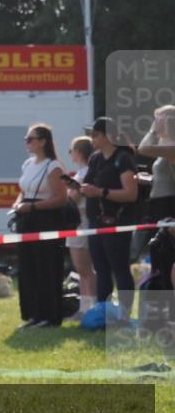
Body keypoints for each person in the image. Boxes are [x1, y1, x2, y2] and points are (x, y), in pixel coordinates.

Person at [11, 123, 69, 328]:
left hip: (47, 221)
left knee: (46, 268)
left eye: (31, 139)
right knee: (28, 268)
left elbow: (62, 198)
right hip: (27, 221)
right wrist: (18, 203)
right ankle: (33, 314)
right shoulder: (28, 164)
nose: (27, 142)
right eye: (26, 139)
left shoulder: (53, 166)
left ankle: (50, 315)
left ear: (43, 141)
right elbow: (24, 191)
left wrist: (34, 207)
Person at [82, 117, 139, 316]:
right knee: (101, 268)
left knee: (120, 268)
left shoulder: (123, 158)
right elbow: (88, 185)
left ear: (107, 136)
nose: (92, 138)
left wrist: (100, 192)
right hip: (95, 222)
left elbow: (131, 194)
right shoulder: (95, 159)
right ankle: (103, 314)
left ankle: (124, 314)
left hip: (117, 222)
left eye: (95, 134)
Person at [65, 136, 97, 313]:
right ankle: (86, 308)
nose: (70, 154)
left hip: (80, 223)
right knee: (86, 271)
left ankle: (87, 310)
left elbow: (73, 199)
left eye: (71, 150)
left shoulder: (84, 173)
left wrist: (67, 192)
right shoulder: (83, 172)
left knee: (84, 271)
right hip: (82, 223)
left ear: (78, 152)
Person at [138, 105, 175, 221]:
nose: (154, 122)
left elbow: (143, 148)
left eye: (158, 119)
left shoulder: (172, 146)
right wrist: (151, 179)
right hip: (157, 201)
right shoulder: (165, 144)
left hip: (168, 202)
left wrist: (152, 131)